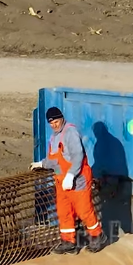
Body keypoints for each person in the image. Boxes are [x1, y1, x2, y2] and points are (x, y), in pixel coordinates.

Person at [31, 106, 108, 254]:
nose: (54, 125)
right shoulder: (54, 137)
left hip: (77, 180)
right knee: (64, 211)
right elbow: (54, 160)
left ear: (62, 118)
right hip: (61, 181)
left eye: (56, 121)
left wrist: (71, 175)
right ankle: (68, 241)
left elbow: (78, 155)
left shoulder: (70, 132)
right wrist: (42, 164)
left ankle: (98, 236)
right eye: (51, 123)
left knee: (84, 210)